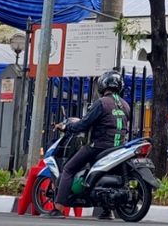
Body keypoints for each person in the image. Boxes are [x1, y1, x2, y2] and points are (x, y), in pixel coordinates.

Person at [50, 70, 131, 219]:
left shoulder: (100, 103)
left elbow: (84, 124)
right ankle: (107, 210)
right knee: (105, 174)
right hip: (118, 148)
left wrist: (67, 127)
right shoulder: (125, 105)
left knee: (68, 169)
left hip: (99, 146)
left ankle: (58, 208)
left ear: (103, 85)